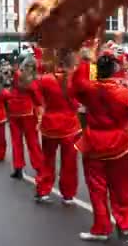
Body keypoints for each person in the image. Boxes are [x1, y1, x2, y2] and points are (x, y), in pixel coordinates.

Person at [71, 53, 128, 242]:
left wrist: (85, 62)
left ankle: (102, 227)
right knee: (122, 186)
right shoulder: (122, 92)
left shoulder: (89, 89)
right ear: (114, 71)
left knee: (97, 188)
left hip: (94, 142)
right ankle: (125, 223)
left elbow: (75, 87)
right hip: (118, 143)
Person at [35, 51, 81, 203]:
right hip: (70, 126)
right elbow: (79, 103)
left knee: (47, 159)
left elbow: (39, 100)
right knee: (69, 162)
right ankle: (68, 194)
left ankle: (43, 190)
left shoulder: (45, 79)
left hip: (50, 125)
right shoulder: (74, 80)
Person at [7, 56, 44, 179]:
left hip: (14, 112)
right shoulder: (34, 80)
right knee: (32, 141)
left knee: (16, 141)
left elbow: (11, 89)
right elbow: (38, 98)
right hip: (28, 112)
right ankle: (39, 167)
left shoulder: (17, 75)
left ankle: (18, 167)